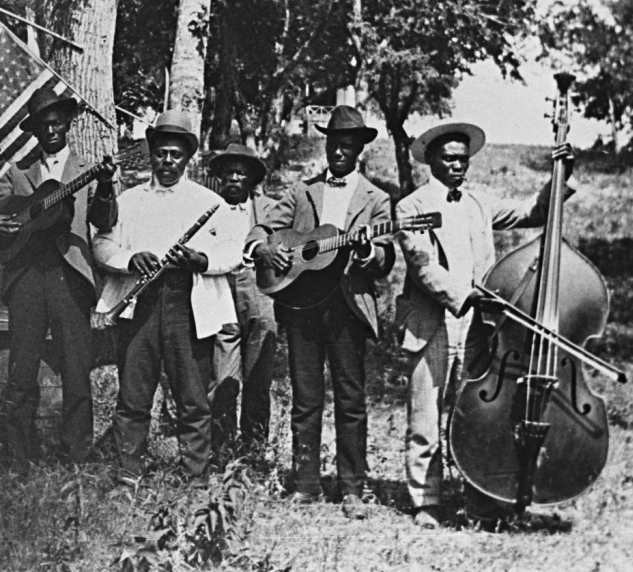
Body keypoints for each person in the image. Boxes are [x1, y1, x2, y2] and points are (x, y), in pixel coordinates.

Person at [394, 121, 576, 529]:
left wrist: (560, 176)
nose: (458, 166)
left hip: (478, 327)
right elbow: (423, 266)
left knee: (475, 414)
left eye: (464, 159)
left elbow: (535, 211)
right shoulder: (410, 206)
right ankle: (426, 502)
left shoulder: (479, 202)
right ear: (432, 161)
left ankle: (478, 497)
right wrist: (466, 295)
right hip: (432, 324)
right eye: (450, 159)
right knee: (425, 417)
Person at [246, 106, 395, 519]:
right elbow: (262, 227)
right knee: (305, 398)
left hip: (347, 307)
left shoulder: (376, 199)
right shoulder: (302, 191)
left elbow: (385, 258)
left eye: (347, 145)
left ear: (359, 150)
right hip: (301, 307)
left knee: (350, 400)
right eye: (333, 143)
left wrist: (366, 249)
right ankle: (306, 485)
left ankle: (352, 489)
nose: (339, 151)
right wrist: (264, 249)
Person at [0, 88, 118, 472]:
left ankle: (75, 461)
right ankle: (17, 460)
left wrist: (103, 186)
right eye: (42, 125)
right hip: (26, 276)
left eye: (56, 123)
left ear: (68, 124)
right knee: (22, 371)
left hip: (70, 276)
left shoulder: (86, 170)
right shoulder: (19, 170)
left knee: (75, 369)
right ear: (34, 130)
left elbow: (105, 221)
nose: (50, 130)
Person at [94, 110, 239, 481]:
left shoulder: (210, 202)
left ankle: (194, 474)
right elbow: (102, 245)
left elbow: (233, 253)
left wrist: (200, 259)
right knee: (134, 392)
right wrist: (130, 258)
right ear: (151, 154)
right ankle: (129, 472)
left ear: (187, 157)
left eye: (176, 154)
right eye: (161, 153)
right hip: (140, 301)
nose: (168, 161)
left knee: (192, 395)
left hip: (187, 301)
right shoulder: (129, 200)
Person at [206, 144, 279, 463]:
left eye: (242, 172)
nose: (234, 178)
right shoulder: (209, 208)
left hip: (260, 291)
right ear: (220, 177)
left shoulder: (271, 209)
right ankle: (221, 450)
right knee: (223, 378)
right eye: (229, 172)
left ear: (251, 179)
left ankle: (254, 453)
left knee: (259, 377)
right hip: (220, 290)